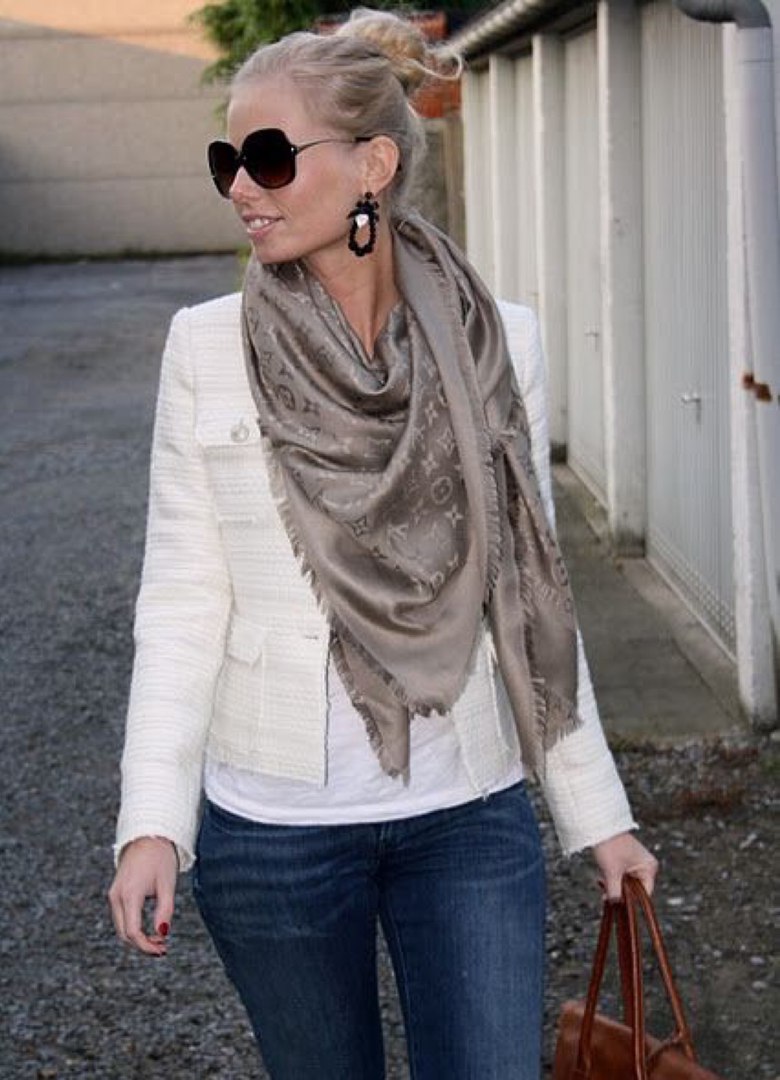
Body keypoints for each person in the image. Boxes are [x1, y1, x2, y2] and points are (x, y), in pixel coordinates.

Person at [108, 9, 658, 1078]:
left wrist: (601, 816)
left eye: (271, 156)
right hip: (273, 829)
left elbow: (532, 595)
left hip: (468, 814)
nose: (241, 186)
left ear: (374, 165)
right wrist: (152, 823)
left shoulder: (500, 340)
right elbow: (181, 599)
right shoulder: (206, 347)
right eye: (228, 159)